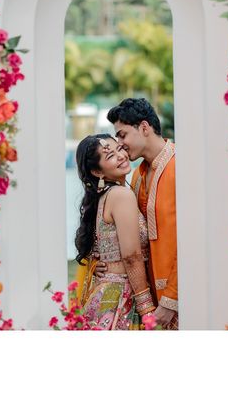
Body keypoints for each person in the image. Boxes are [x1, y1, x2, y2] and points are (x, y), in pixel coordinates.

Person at [100, 98, 178, 330]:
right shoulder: (137, 177)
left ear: (144, 127)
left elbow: (193, 237)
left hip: (181, 297)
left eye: (122, 135)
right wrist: (105, 262)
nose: (120, 144)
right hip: (150, 301)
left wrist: (172, 299)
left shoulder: (180, 166)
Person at [74, 133, 155, 330]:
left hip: (106, 294)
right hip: (123, 295)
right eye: (109, 156)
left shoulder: (104, 197)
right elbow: (131, 256)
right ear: (97, 172)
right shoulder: (121, 195)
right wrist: (146, 309)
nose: (120, 156)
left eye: (118, 149)